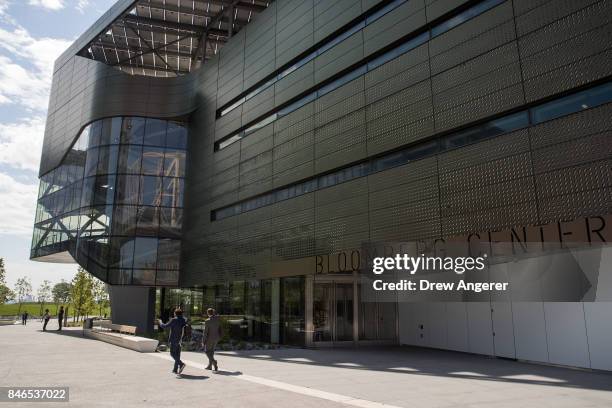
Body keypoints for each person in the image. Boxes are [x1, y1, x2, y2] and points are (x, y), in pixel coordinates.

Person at [159, 308, 187, 377]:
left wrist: (160, 322)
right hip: (180, 340)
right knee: (177, 354)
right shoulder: (183, 320)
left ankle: (181, 364)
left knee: (172, 354)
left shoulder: (174, 320)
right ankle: (175, 369)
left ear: (175, 313)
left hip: (174, 339)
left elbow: (164, 326)